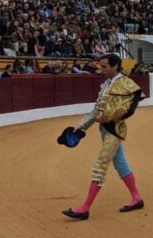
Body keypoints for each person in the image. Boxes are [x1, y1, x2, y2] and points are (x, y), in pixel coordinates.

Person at [62, 54, 146, 220]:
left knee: (100, 165)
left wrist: (106, 117)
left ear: (115, 66)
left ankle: (85, 208)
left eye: (104, 66)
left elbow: (126, 110)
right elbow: (97, 109)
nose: (101, 70)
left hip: (114, 130)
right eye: (100, 66)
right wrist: (81, 125)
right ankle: (137, 198)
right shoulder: (108, 84)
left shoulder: (125, 84)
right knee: (121, 163)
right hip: (106, 130)